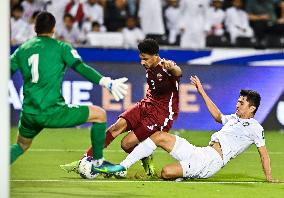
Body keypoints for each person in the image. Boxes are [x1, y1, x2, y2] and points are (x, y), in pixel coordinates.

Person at [94, 76, 276, 182]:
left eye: (241, 103)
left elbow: (264, 154)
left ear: (252, 108)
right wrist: (201, 90)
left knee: (166, 172)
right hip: (200, 151)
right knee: (159, 136)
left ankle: (185, 174)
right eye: (238, 101)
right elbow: (218, 116)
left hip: (210, 162)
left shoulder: (255, 128)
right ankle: (121, 167)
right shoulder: (234, 119)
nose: (238, 105)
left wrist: (269, 178)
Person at [10, 11, 128, 171]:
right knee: (99, 115)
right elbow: (81, 67)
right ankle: (98, 162)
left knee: (21, 145)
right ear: (53, 28)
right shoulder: (61, 47)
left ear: (35, 28)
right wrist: (106, 82)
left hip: (29, 114)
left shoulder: (22, 50)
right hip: (53, 111)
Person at [60, 38, 182, 177]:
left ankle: (144, 158)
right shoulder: (150, 66)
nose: (142, 62)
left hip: (161, 114)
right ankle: (85, 160)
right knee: (115, 128)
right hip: (146, 104)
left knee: (126, 144)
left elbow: (177, 72)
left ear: (156, 56)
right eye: (141, 58)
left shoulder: (166, 68)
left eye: (146, 59)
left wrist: (172, 67)